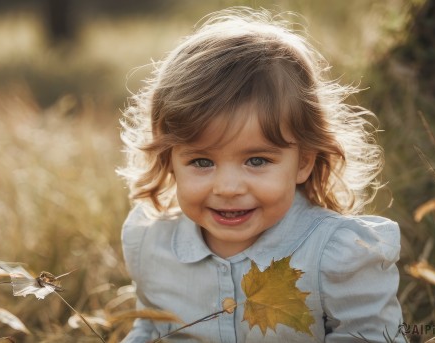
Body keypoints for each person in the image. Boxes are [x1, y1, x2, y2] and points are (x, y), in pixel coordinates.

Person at [117, 7, 404, 342]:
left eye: (256, 161)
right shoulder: (151, 243)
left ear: (303, 162)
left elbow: (372, 336)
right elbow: (151, 327)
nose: (227, 188)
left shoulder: (334, 253)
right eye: (201, 162)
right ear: (169, 160)